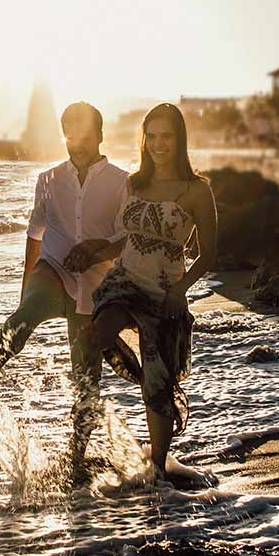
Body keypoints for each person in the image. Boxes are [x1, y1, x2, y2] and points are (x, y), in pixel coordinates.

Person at [0, 102, 129, 477]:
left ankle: (75, 457)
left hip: (96, 285)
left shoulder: (122, 181)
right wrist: (26, 288)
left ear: (101, 136)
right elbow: (35, 233)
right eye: (71, 136)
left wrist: (97, 250)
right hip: (53, 269)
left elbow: (127, 236)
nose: (78, 145)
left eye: (86, 137)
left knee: (86, 378)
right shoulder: (47, 179)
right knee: (28, 313)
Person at [78, 103, 217, 482]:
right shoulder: (135, 183)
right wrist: (95, 248)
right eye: (151, 136)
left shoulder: (197, 191)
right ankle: (107, 416)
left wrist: (181, 291)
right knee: (99, 333)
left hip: (164, 291)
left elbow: (209, 254)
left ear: (180, 139)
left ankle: (157, 467)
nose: (158, 144)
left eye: (166, 136)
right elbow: (126, 239)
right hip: (124, 280)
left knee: (157, 385)